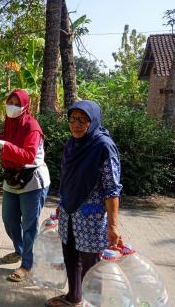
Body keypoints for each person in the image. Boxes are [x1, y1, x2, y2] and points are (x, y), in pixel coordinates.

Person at [46, 100, 123, 307]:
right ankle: (74, 297)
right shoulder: (72, 143)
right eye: (72, 119)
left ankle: (92, 303)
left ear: (93, 120)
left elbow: (112, 189)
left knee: (91, 267)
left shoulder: (103, 147)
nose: (76, 124)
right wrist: (62, 202)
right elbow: (67, 176)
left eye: (82, 120)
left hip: (91, 218)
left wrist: (113, 226)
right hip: (69, 212)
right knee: (70, 257)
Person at [0, 89, 50, 282]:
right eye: (10, 102)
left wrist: (3, 145)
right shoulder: (10, 122)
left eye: (16, 103)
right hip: (12, 177)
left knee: (29, 225)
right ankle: (20, 250)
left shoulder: (32, 126)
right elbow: (7, 136)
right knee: (9, 219)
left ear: (24, 106)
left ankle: (27, 265)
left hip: (32, 180)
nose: (12, 107)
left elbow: (28, 155)